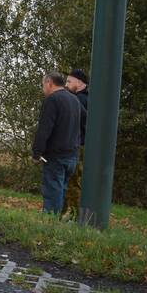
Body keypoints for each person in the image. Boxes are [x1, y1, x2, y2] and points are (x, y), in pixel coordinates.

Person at [33, 71, 82, 214]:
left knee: (52, 193)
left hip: (56, 157)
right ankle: (57, 223)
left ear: (49, 83)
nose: (43, 89)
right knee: (61, 191)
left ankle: (49, 225)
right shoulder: (74, 100)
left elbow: (44, 129)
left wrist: (37, 153)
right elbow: (85, 120)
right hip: (72, 156)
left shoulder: (52, 100)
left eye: (43, 85)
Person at [62, 68, 90, 217]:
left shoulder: (80, 100)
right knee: (73, 181)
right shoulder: (85, 98)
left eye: (69, 81)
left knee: (73, 181)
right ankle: (71, 214)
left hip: (79, 145)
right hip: (81, 144)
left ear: (79, 82)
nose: (66, 85)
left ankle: (78, 216)